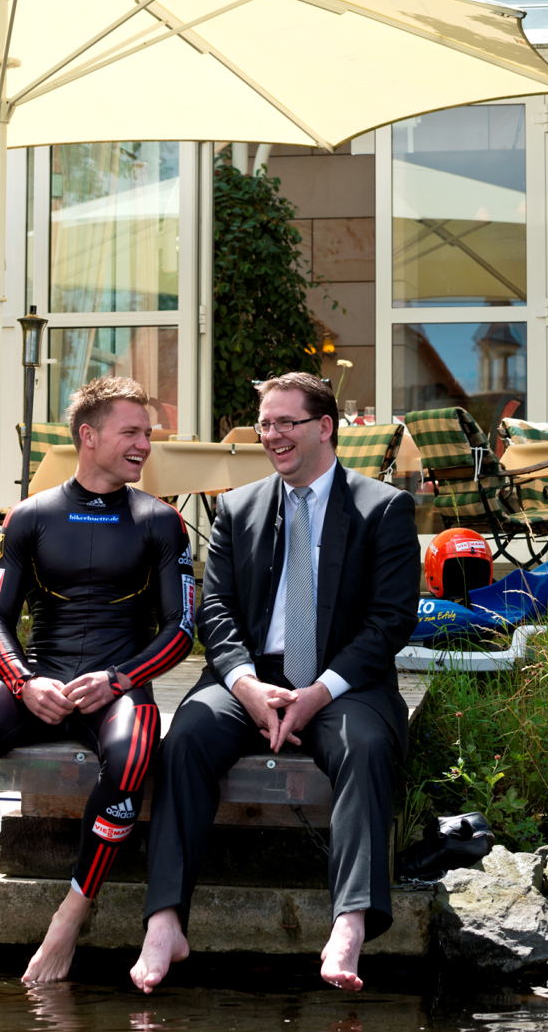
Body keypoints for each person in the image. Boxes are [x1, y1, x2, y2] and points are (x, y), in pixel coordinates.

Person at [131, 371, 420, 995]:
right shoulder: (237, 507)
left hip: (345, 681)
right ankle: (165, 921)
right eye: (264, 424)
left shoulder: (383, 508)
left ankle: (349, 922)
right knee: (187, 736)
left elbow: (391, 620)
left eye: (286, 422)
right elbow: (216, 610)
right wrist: (244, 686)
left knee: (367, 747)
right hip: (250, 678)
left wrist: (321, 691)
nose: (271, 435)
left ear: (325, 427)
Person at [0, 375, 195, 988]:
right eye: (131, 433)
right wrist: (22, 683)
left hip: (117, 687)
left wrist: (118, 679)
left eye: (147, 433)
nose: (145, 445)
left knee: (132, 756)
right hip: (39, 677)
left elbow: (181, 630)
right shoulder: (30, 516)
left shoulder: (161, 521)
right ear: (88, 436)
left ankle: (67, 923)